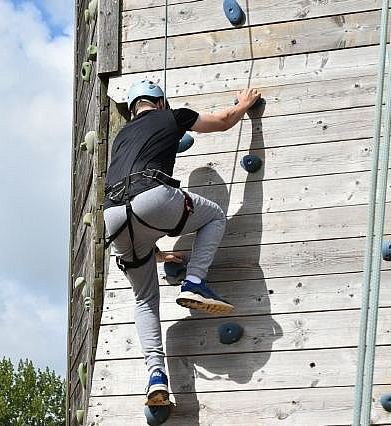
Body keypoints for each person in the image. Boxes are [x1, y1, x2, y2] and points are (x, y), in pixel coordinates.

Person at [103, 79, 261, 406]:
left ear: (132, 110)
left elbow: (131, 204)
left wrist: (154, 252)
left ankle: (155, 376)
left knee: (144, 299)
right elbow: (222, 121)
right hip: (153, 197)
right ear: (160, 102)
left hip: (114, 217)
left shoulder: (121, 136)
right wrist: (244, 105)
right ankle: (195, 282)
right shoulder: (174, 115)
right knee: (214, 216)